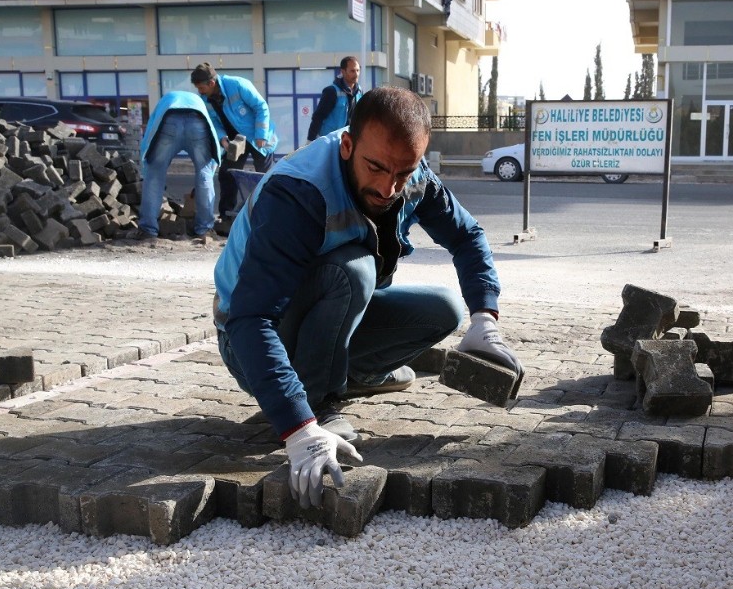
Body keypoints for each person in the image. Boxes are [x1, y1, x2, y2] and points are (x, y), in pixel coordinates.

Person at [213, 86, 522, 509]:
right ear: (347, 145)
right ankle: (319, 404)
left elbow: (467, 236)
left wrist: (485, 317)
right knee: (352, 270)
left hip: (323, 314)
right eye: (376, 168)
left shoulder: (410, 177)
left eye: (403, 172)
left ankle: (349, 374)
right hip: (247, 342)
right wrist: (298, 427)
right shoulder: (298, 192)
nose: (388, 187)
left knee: (445, 310)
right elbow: (251, 318)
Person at [191, 62, 279, 219]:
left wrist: (261, 135)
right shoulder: (205, 98)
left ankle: (270, 213)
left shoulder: (238, 85)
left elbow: (261, 107)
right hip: (235, 141)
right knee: (227, 174)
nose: (200, 92)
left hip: (259, 137)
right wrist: (222, 139)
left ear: (211, 83)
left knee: (266, 176)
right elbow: (213, 122)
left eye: (202, 88)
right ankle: (226, 215)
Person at [131, 90, 221, 241]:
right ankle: (204, 229)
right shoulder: (198, 101)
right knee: (204, 173)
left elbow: (150, 132)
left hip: (169, 121)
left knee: (155, 174)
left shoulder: (166, 100)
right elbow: (212, 132)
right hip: (197, 122)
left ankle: (148, 230)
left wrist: (146, 163)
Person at [307, 56, 363, 143]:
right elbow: (318, 117)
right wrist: (310, 140)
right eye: (352, 71)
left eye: (358, 70)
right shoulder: (331, 91)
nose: (356, 74)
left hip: (348, 140)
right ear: (343, 72)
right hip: (330, 141)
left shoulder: (359, 91)